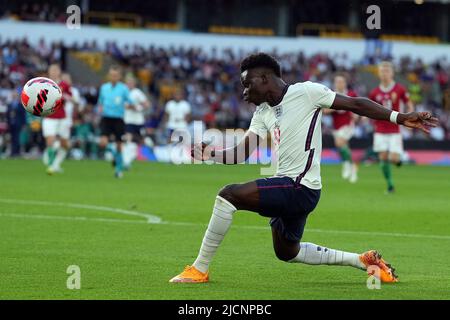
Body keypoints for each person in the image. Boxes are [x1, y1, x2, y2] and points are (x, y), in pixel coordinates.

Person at [170, 53, 438, 284]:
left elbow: (355, 104)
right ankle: (363, 261)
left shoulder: (307, 92)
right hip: (289, 189)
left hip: (300, 187)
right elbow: (241, 153)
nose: (244, 91)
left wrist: (400, 118)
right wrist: (210, 154)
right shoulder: (262, 112)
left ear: (264, 78)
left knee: (228, 195)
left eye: (247, 84)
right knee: (287, 252)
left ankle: (199, 269)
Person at [368, 61, 414, 193]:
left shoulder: (400, 89)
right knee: (382, 158)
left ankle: (398, 161)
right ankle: (390, 185)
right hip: (380, 129)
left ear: (392, 73)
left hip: (394, 129)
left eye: (387, 71)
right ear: (378, 73)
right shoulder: (374, 92)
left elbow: (409, 104)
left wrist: (411, 118)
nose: (384, 73)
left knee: (393, 159)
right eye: (382, 71)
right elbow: (369, 108)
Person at [97, 65, 133, 178]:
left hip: (118, 119)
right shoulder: (104, 88)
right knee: (103, 143)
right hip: (106, 118)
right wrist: (100, 108)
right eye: (112, 75)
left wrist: (129, 106)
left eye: (116, 75)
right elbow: (100, 102)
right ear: (109, 76)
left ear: (119, 77)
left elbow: (130, 102)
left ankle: (118, 170)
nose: (113, 77)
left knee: (119, 145)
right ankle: (115, 157)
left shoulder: (123, 89)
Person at [323, 75, 358, 182]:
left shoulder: (351, 94)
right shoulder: (331, 95)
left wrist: (356, 115)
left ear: (345, 83)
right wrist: (337, 106)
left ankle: (346, 164)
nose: (340, 84)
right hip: (336, 126)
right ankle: (353, 167)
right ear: (335, 83)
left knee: (339, 143)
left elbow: (358, 107)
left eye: (341, 81)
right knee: (343, 147)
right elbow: (325, 111)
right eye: (337, 82)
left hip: (348, 124)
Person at [42, 64, 72, 174]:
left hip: (62, 117)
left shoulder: (64, 84)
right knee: (50, 140)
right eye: (52, 70)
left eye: (56, 70)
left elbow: (71, 97)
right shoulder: (44, 84)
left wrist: (66, 96)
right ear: (49, 72)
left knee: (65, 144)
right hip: (49, 116)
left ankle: (57, 163)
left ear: (59, 72)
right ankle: (50, 165)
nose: (54, 72)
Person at [123, 75, 150, 169]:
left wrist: (139, 108)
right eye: (128, 83)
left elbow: (147, 104)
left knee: (140, 141)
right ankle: (126, 161)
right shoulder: (124, 92)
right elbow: (125, 106)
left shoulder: (137, 93)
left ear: (134, 84)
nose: (129, 84)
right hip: (128, 120)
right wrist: (134, 107)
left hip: (139, 121)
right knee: (128, 138)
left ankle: (130, 157)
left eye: (131, 83)